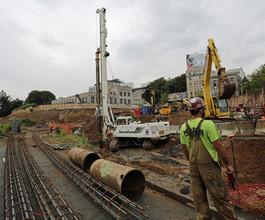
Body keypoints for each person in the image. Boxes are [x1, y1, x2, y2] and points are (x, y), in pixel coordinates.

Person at [180, 97, 237, 220]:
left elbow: (185, 149)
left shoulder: (183, 127)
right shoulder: (208, 124)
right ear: (200, 110)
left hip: (193, 166)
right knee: (220, 197)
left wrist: (192, 161)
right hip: (209, 167)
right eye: (204, 108)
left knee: (199, 199)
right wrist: (228, 165)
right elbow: (219, 147)